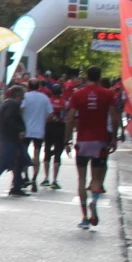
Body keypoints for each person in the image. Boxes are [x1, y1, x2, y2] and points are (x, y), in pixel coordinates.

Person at [67, 66, 118, 229]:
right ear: (100, 77)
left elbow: (70, 118)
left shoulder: (77, 94)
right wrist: (114, 138)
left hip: (83, 141)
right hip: (100, 141)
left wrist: (67, 140)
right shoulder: (108, 94)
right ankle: (94, 202)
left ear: (87, 77)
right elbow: (114, 117)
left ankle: (84, 217)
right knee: (96, 178)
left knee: (81, 179)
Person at [20, 78, 52, 191]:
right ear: (39, 86)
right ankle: (34, 179)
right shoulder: (44, 97)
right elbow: (50, 113)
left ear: (28, 86)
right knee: (37, 155)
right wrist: (42, 119)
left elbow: (21, 109)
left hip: (26, 129)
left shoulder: (25, 96)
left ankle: (26, 176)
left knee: (24, 153)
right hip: (39, 130)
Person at [42, 81, 69, 188]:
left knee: (47, 151)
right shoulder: (65, 102)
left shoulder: (48, 101)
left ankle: (46, 178)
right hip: (61, 127)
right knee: (58, 153)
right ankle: (55, 180)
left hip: (49, 127)